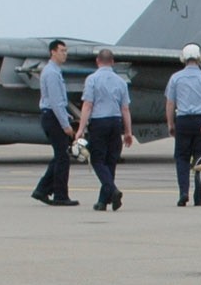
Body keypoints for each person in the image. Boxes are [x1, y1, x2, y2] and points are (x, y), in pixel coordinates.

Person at [71, 48, 133, 212]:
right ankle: (103, 202)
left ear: (98, 61)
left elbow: (88, 105)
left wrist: (80, 129)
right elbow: (125, 109)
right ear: (112, 62)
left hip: (99, 123)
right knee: (110, 162)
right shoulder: (121, 81)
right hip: (115, 122)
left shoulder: (92, 79)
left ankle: (113, 191)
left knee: (98, 161)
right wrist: (128, 132)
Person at [165, 43, 201, 206]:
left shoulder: (176, 78)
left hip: (182, 120)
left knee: (181, 158)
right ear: (199, 58)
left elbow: (170, 103)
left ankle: (183, 192)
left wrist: (170, 124)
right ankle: (199, 196)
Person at [30, 39, 78, 207]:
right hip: (53, 118)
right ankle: (60, 195)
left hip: (53, 116)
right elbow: (56, 101)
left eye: (65, 50)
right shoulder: (51, 73)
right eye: (62, 50)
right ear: (53, 52)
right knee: (62, 158)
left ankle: (42, 190)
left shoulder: (53, 71)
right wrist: (65, 124)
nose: (65, 54)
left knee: (60, 156)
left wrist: (67, 117)